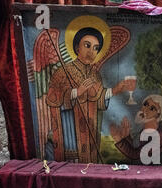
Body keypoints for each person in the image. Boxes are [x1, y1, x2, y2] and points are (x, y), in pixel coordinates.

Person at [47, 27, 135, 163]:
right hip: (70, 129)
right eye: (87, 46)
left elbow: (98, 98)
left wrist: (116, 90)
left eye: (95, 48)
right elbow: (52, 98)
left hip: (90, 131)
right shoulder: (63, 72)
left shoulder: (95, 75)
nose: (91, 52)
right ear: (77, 48)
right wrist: (77, 92)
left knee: (91, 162)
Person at [109, 94, 162, 161]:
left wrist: (119, 139)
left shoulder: (160, 136)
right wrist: (126, 136)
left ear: (158, 115)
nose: (145, 109)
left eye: (152, 108)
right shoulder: (144, 129)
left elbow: (136, 156)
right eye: (146, 104)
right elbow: (135, 147)